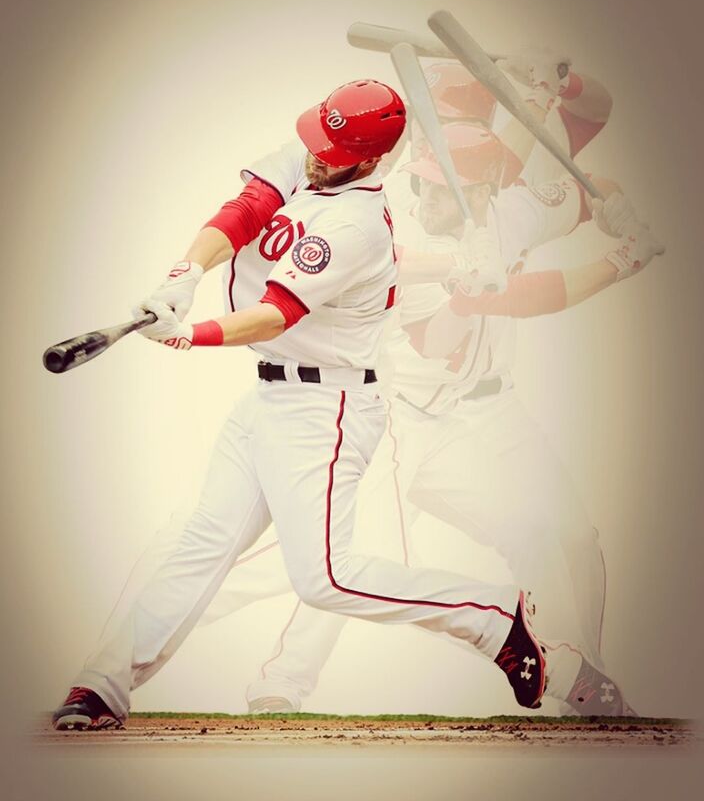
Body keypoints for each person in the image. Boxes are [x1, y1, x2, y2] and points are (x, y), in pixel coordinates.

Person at [52, 80, 557, 730]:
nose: (316, 155)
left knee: (325, 579)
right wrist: (187, 272)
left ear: (372, 161)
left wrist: (189, 334)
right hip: (267, 395)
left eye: (335, 149)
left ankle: (492, 618)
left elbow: (274, 316)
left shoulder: (356, 227)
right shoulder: (315, 150)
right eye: (320, 136)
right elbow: (248, 206)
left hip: (329, 410)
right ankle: (103, 687)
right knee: (199, 542)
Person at [236, 123, 662, 716]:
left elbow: (589, 183)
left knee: (566, 537)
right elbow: (436, 342)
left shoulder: (516, 211)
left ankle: (582, 682)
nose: (427, 199)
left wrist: (614, 209)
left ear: (486, 183)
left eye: (444, 188)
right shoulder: (393, 236)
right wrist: (475, 288)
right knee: (347, 559)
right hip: (403, 419)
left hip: (494, 409)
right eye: (424, 184)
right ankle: (282, 682)